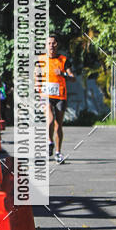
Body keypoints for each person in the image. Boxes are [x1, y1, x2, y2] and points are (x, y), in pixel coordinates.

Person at [37, 35, 75, 164]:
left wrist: (63, 74)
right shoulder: (41, 59)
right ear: (46, 45)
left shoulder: (63, 60)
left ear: (57, 45)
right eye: (49, 43)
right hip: (45, 95)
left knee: (58, 125)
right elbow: (36, 75)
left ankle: (58, 153)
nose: (51, 46)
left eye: (53, 43)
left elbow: (72, 77)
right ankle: (49, 142)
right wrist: (37, 88)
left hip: (60, 96)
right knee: (50, 120)